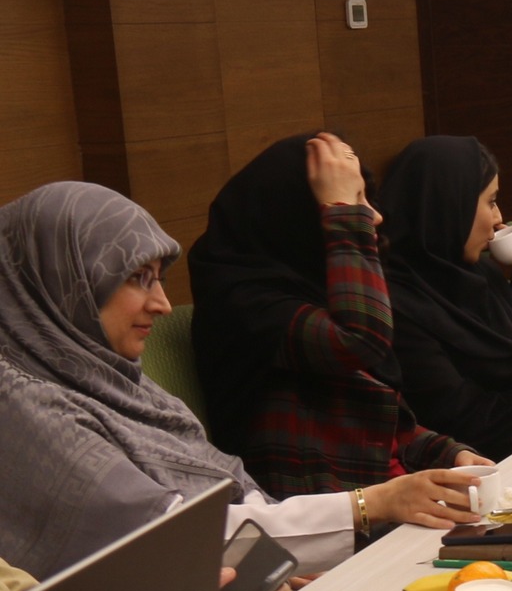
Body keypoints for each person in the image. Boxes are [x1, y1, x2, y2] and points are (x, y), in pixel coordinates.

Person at [2, 182, 484, 584]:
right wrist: (371, 504)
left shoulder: (110, 377)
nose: (162, 303)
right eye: (138, 278)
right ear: (63, 280)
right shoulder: (24, 404)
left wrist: (267, 574)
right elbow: (166, 539)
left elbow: (225, 497)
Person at [190, 133, 488, 498]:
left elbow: (375, 419)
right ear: (296, 213)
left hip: (385, 497)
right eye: (354, 200)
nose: (375, 216)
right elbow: (361, 342)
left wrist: (447, 453)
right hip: (334, 516)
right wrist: (347, 217)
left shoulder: (312, 285)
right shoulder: (245, 304)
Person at [377, 137, 512, 461]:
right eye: (491, 202)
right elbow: (464, 416)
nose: (499, 218)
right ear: (449, 206)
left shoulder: (475, 272)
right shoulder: (398, 303)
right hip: (493, 460)